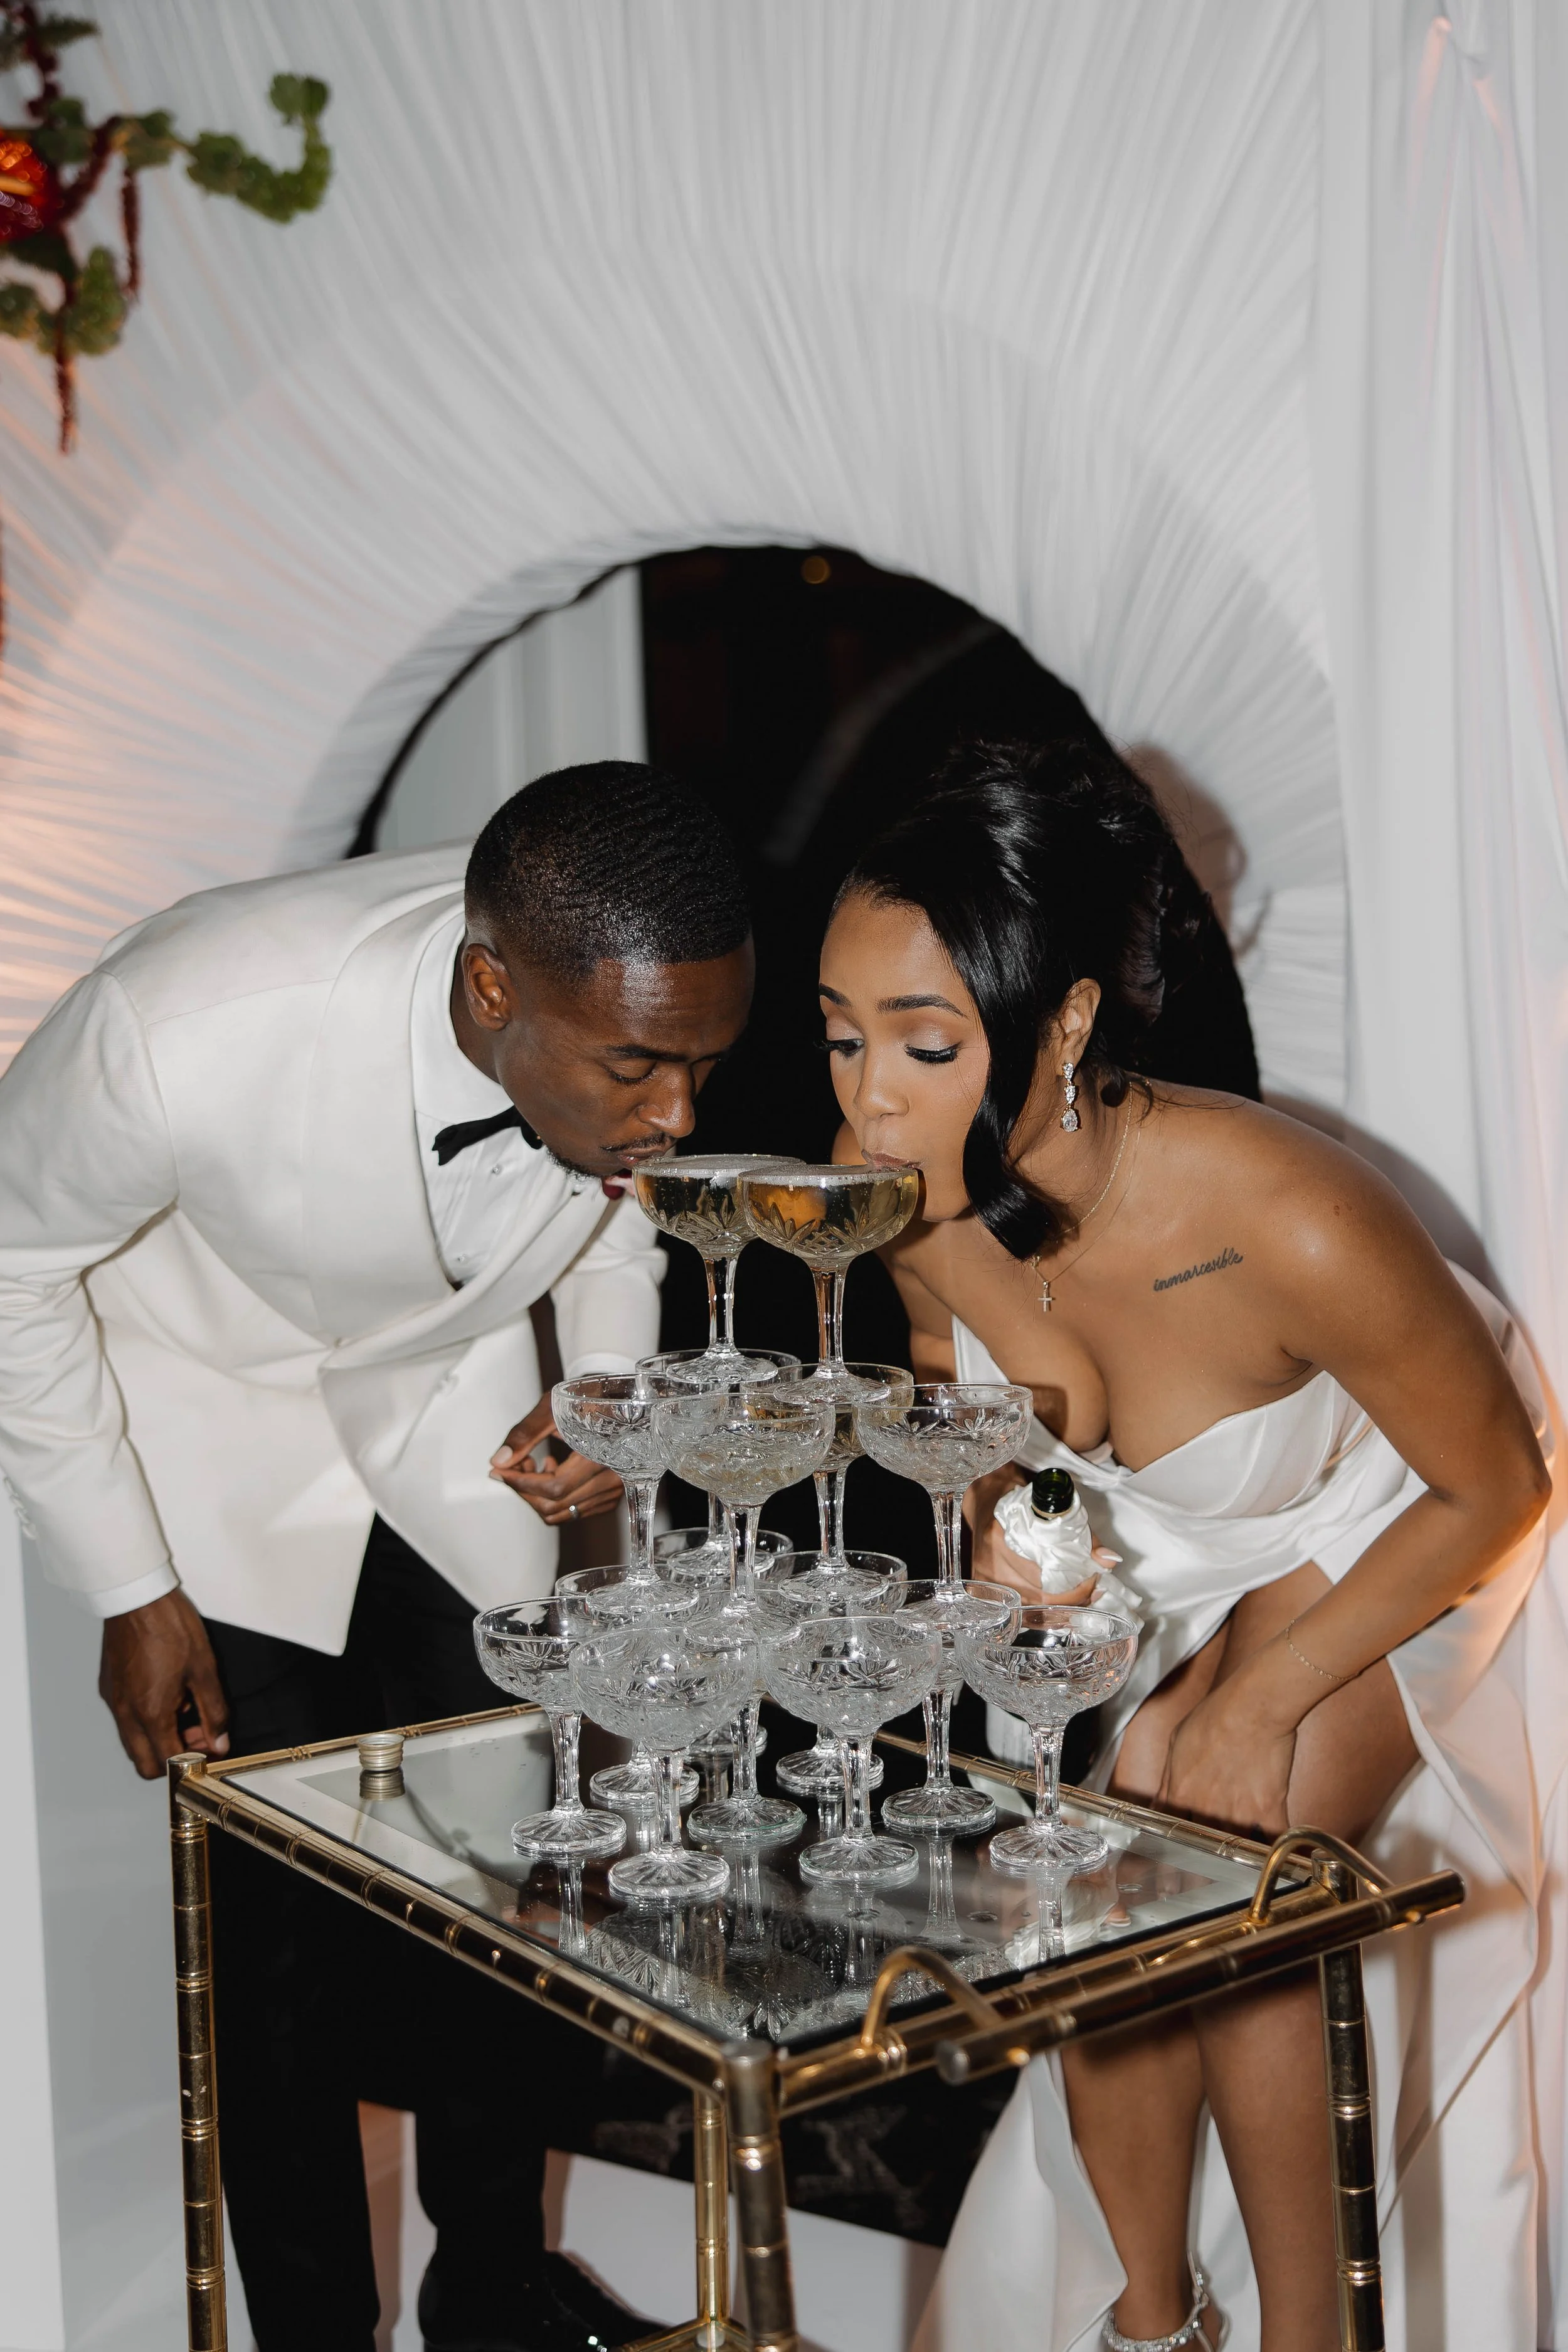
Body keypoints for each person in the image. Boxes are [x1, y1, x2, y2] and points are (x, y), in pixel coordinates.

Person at [815, 739, 1563, 2352]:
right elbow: (973, 1433)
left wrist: (1255, 1697)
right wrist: (1014, 1553)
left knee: (1223, 1824)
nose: (865, 1098)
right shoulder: (901, 1200)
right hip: (1180, 1557)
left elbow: (1493, 1481)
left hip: (1390, 1510)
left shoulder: (1278, 1210)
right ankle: (1146, 2323)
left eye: (923, 1044)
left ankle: (1310, 2331)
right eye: (837, 1038)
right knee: (1090, 1873)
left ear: (1062, 1023)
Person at [0, 761, 753, 2352]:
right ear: (493, 991)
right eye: (641, 1065)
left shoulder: (606, 1003)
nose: (679, 1115)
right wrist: (129, 1583)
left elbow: (620, 1209)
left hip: (442, 1420)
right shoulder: (174, 1029)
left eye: (701, 1064)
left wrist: (600, 1394)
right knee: (271, 1956)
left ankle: (489, 2288)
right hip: (203, 1437)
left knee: (514, 1884)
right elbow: (10, 1267)